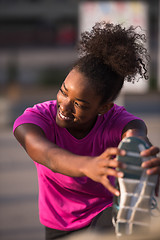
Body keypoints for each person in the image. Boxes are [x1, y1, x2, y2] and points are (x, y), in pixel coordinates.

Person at [13, 22, 160, 240]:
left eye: (79, 104)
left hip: (105, 214)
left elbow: (135, 134)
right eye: (63, 91)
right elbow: (47, 155)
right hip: (58, 225)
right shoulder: (36, 119)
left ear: (103, 107)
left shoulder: (117, 121)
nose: (64, 106)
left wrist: (144, 162)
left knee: (115, 226)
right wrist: (87, 165)